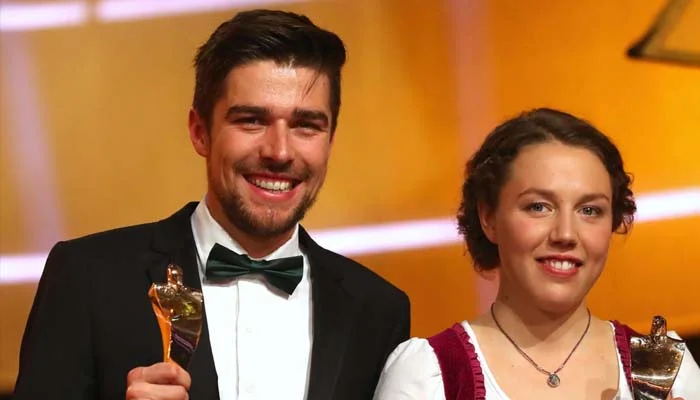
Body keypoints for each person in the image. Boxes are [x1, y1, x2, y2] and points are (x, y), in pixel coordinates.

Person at [13, 9, 410, 400]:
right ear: (200, 132)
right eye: (252, 120)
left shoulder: (379, 312)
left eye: (306, 125)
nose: (280, 151)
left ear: (330, 141)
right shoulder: (88, 278)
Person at [373, 108, 700, 399]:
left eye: (589, 210)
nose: (566, 234)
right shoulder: (429, 375)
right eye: (539, 207)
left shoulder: (665, 371)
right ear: (489, 218)